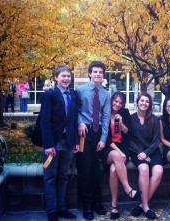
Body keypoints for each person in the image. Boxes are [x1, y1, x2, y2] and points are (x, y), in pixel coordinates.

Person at [40, 65, 79, 221]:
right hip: (53, 143)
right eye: (63, 76)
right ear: (56, 77)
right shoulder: (49, 95)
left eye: (68, 76)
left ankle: (62, 208)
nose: (66, 78)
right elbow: (45, 121)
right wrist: (48, 145)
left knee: (63, 176)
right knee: (50, 177)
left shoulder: (73, 95)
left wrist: (76, 141)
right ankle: (52, 211)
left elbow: (74, 120)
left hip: (68, 142)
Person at [76, 61, 111, 220]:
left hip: (98, 134)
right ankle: (87, 205)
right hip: (84, 133)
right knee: (85, 170)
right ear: (89, 73)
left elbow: (105, 116)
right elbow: (73, 111)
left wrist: (103, 139)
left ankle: (97, 202)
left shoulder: (105, 93)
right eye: (95, 72)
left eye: (100, 72)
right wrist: (79, 122)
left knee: (97, 170)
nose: (98, 74)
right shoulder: (80, 91)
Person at [101, 91, 140, 219]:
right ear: (111, 100)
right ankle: (128, 188)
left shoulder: (124, 113)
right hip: (108, 148)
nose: (117, 104)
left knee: (113, 170)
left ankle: (114, 206)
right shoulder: (105, 113)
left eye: (120, 103)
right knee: (117, 156)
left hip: (123, 146)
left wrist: (122, 124)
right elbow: (105, 138)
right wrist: (118, 151)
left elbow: (128, 133)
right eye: (115, 101)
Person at [130, 92, 163, 220]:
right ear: (137, 102)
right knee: (144, 169)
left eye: (147, 101)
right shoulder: (131, 118)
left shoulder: (155, 119)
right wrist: (140, 152)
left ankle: (142, 205)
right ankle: (146, 207)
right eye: (142, 101)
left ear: (149, 104)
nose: (144, 103)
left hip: (152, 151)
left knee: (159, 170)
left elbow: (156, 141)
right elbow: (130, 139)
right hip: (137, 152)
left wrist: (146, 153)